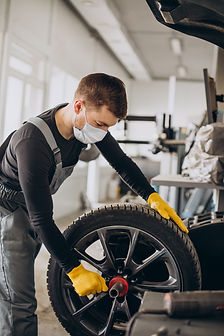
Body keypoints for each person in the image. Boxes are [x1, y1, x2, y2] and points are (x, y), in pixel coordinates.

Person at [0, 73, 188, 335]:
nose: (103, 132)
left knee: (13, 281)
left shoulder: (85, 126)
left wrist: (152, 197)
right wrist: (75, 270)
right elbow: (43, 219)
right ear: (79, 106)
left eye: (108, 127)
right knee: (17, 301)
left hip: (30, 207)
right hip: (7, 213)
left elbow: (121, 163)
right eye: (101, 124)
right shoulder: (33, 143)